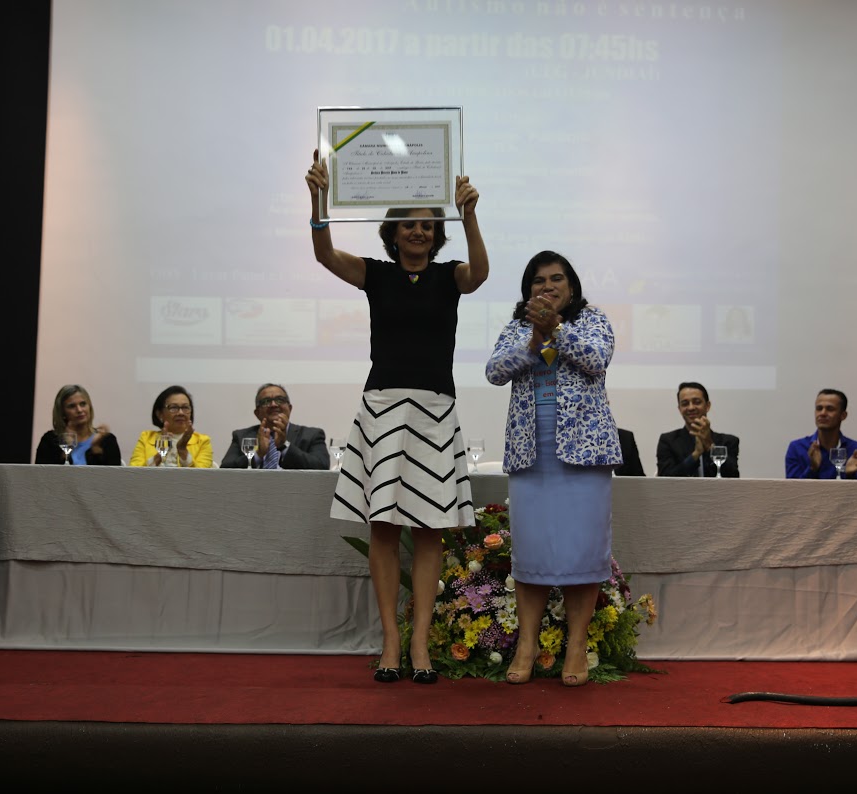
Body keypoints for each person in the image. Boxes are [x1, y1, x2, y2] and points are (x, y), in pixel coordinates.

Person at [305, 151, 488, 684]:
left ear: (437, 232)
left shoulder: (449, 277)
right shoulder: (376, 275)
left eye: (428, 224)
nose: (418, 231)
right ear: (392, 231)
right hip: (382, 409)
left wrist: (469, 212)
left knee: (430, 532)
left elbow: (479, 274)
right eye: (409, 224)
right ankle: (390, 639)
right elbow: (323, 255)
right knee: (383, 526)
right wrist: (318, 198)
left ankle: (421, 643)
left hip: (435, 411)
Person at [485, 250, 622, 687]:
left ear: (572, 286)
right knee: (531, 554)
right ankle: (527, 645)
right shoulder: (516, 328)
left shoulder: (592, 321)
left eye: (556, 279)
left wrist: (556, 329)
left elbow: (596, 360)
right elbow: (494, 372)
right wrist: (533, 340)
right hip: (531, 453)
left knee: (583, 551)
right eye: (538, 280)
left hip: (585, 452)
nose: (548, 286)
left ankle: (576, 646)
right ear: (528, 292)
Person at [218, 383, 329, 470]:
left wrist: (284, 446)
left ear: (289, 408)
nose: (273, 405)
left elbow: (322, 467)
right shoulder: (241, 436)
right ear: (257, 413)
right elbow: (225, 471)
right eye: (266, 401)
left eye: (280, 400)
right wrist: (258, 455)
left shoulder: (312, 435)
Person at [657, 382, 741, 478]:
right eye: (685, 404)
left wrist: (710, 445)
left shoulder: (728, 441)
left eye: (697, 402)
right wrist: (695, 455)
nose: (691, 407)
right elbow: (665, 480)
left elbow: (732, 476)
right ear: (679, 409)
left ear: (707, 406)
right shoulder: (668, 441)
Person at [785, 388, 857, 479]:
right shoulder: (797, 448)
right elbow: (793, 491)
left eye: (830, 409)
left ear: (843, 415)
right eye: (819, 408)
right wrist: (812, 469)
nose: (823, 413)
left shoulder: (855, 450)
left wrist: (849, 475)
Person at [34, 384, 122, 465]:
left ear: (89, 407)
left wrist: (96, 449)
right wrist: (66, 449)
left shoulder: (106, 440)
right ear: (62, 412)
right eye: (72, 406)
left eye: (83, 404)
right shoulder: (50, 440)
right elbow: (42, 477)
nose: (79, 410)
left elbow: (113, 479)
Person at [129, 385, 213, 468]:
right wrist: (159, 455)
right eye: (174, 407)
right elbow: (132, 474)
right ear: (159, 414)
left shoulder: (202, 441)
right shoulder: (146, 438)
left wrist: (183, 450)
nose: (180, 413)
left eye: (185, 407)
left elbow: (202, 477)